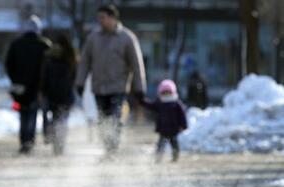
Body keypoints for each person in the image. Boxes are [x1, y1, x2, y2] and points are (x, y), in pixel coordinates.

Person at [76, 4, 146, 156]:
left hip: (118, 87)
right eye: (99, 18)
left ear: (113, 18)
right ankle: (107, 148)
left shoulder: (127, 38)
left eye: (103, 17)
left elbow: (136, 64)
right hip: (99, 88)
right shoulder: (93, 38)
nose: (100, 21)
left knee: (115, 118)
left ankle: (113, 148)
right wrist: (80, 83)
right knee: (102, 120)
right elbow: (84, 62)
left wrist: (139, 88)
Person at [5, 15, 51, 154]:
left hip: (20, 87)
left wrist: (15, 79)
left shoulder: (16, 44)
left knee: (23, 114)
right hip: (37, 86)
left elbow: (8, 64)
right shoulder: (44, 45)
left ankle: (25, 140)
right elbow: (49, 67)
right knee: (32, 113)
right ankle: (28, 141)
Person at [42, 34, 76, 155]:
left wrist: (44, 91)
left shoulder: (49, 59)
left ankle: (56, 142)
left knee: (55, 118)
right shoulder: (71, 58)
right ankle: (60, 143)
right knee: (63, 120)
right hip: (66, 95)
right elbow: (73, 77)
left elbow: (44, 78)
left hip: (52, 95)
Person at [139, 79, 187, 162]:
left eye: (168, 92)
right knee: (161, 144)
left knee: (174, 143)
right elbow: (150, 105)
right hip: (163, 129)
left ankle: (175, 156)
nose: (166, 94)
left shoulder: (176, 104)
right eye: (164, 92)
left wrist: (183, 125)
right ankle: (158, 157)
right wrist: (142, 101)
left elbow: (182, 115)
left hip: (173, 128)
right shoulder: (160, 103)